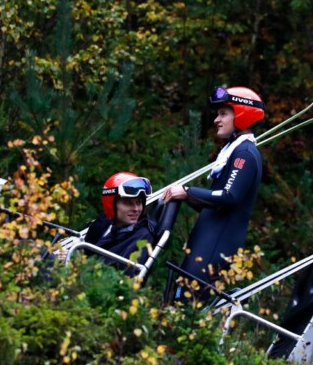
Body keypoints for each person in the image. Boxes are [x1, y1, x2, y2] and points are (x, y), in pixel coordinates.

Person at [163, 86, 265, 302]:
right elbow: (216, 204)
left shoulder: (244, 154)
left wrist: (188, 191)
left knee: (185, 309)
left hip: (214, 247)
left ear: (242, 115)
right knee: (177, 303)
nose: (217, 120)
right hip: (206, 243)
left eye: (223, 114)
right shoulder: (233, 151)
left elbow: (229, 197)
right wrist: (187, 196)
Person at [82, 171, 157, 276]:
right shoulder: (102, 225)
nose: (136, 209)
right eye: (128, 203)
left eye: (139, 203)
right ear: (111, 205)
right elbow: (86, 254)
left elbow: (124, 277)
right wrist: (74, 258)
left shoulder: (143, 237)